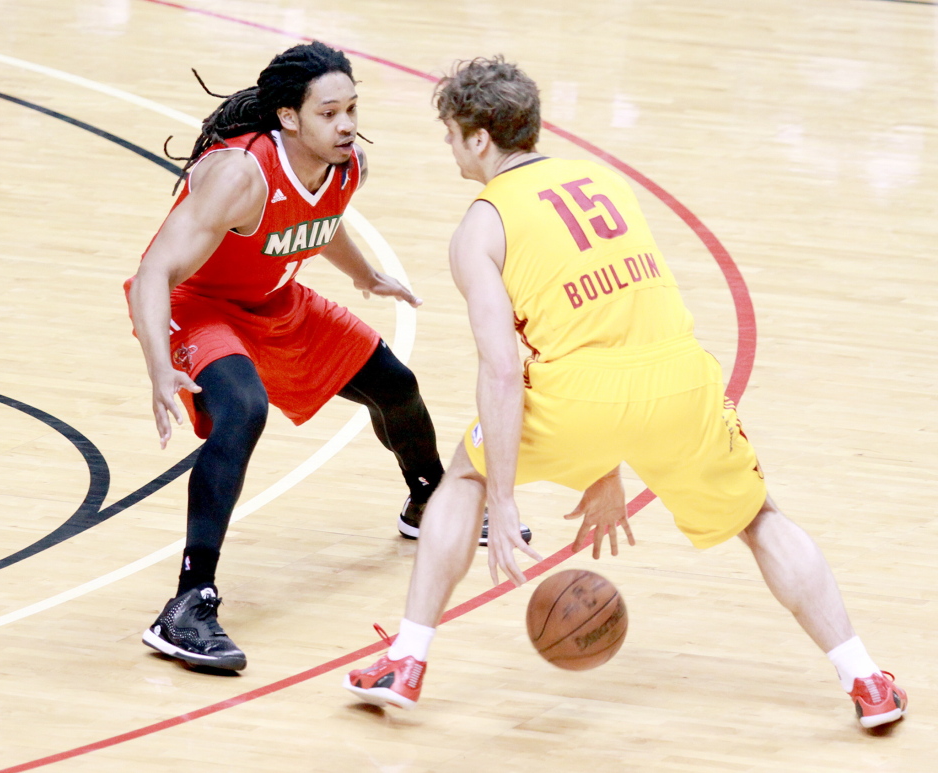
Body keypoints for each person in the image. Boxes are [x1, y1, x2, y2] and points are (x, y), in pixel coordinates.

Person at [344, 56, 907, 730]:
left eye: (451, 133)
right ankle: (865, 677)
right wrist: (608, 460)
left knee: (460, 478)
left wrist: (502, 494)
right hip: (682, 381)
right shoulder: (606, 181)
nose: (447, 145)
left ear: (480, 139)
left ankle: (406, 660)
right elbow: (618, 315)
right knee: (761, 518)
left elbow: (499, 368)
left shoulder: (480, 228)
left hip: (577, 395)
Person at [126, 41, 507, 672]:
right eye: (330, 113)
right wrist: (157, 366)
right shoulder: (239, 174)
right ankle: (188, 606)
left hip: (276, 300)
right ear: (288, 117)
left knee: (395, 385)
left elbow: (320, 220)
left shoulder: (346, 164)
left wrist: (367, 274)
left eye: (352, 108)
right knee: (243, 410)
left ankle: (429, 503)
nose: (348, 124)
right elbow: (153, 272)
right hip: (196, 306)